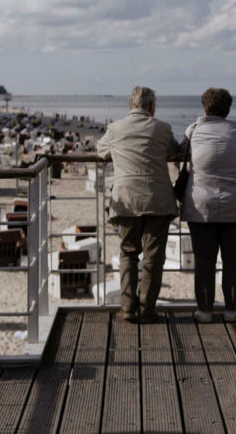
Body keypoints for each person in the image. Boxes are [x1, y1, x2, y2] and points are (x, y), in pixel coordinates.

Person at [97, 86, 180, 324]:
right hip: (158, 199)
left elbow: (101, 151)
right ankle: (147, 309)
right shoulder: (162, 128)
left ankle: (127, 308)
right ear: (152, 106)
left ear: (130, 104)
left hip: (127, 199)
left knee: (128, 253)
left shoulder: (115, 128)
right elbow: (174, 152)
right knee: (154, 257)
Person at [180, 88, 236, 324]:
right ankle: (232, 309)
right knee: (234, 260)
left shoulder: (193, 130)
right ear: (228, 109)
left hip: (202, 206)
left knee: (204, 260)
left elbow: (182, 152)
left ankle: (204, 310)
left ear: (205, 107)